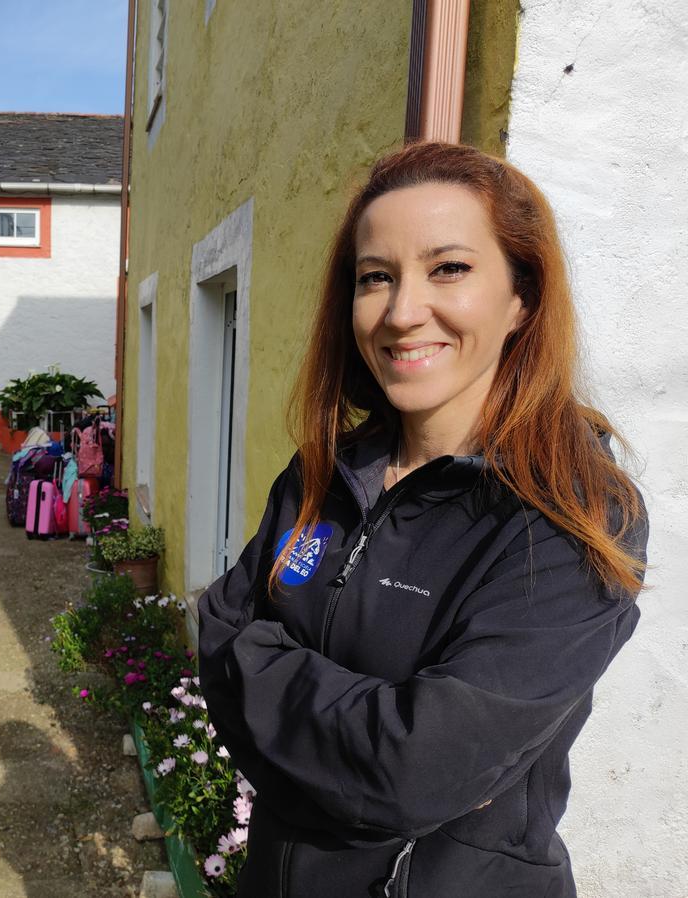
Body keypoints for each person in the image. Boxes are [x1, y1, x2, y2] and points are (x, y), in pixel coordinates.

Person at [197, 141, 648, 898]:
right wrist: (369, 735)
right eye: (376, 277)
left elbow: (415, 771)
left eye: (449, 268)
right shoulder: (321, 475)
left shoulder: (574, 511)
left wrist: (268, 683)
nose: (404, 312)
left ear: (522, 298)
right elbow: (216, 639)